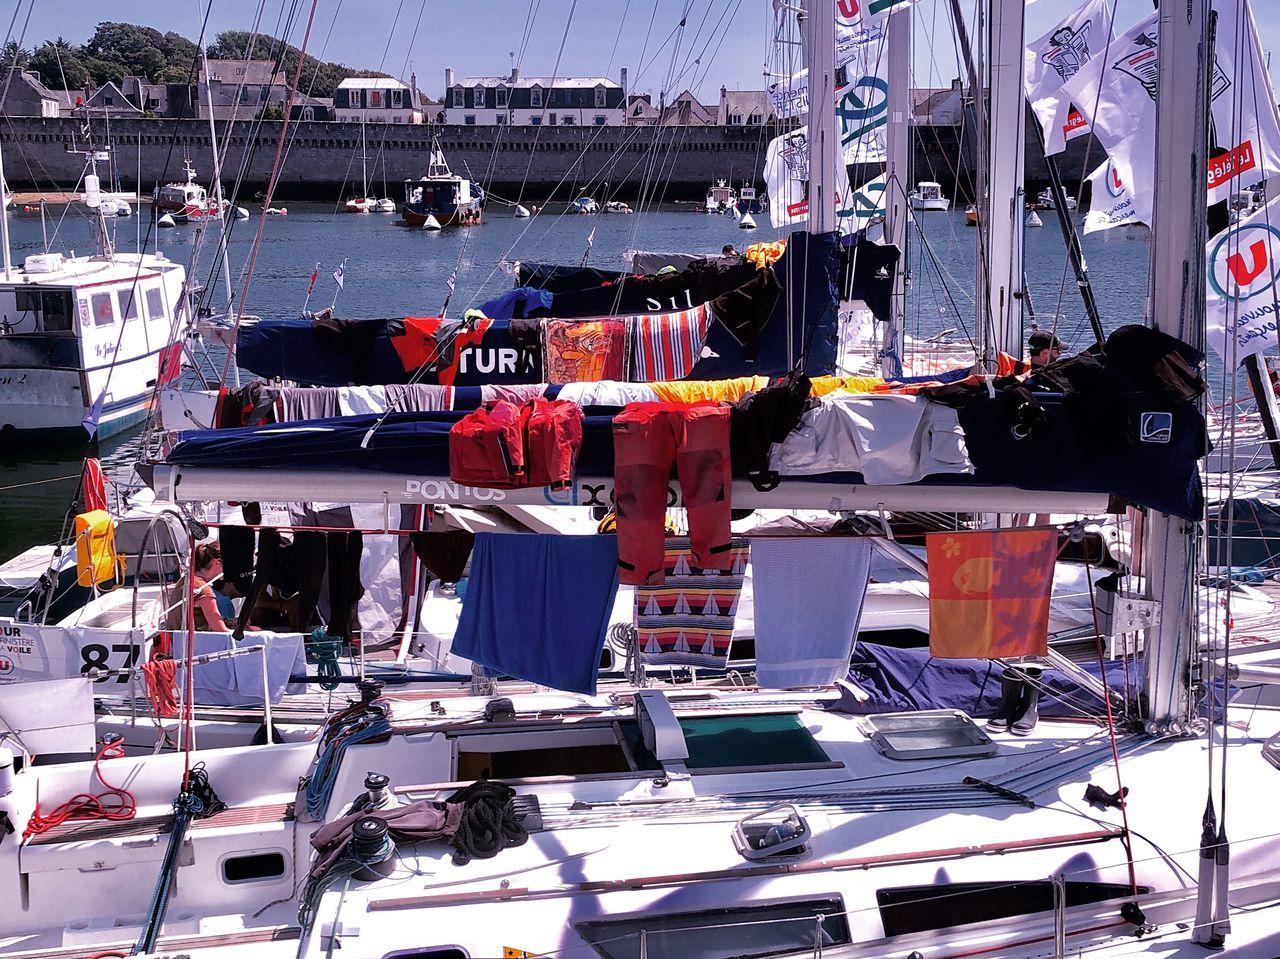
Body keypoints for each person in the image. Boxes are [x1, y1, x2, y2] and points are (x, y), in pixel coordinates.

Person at [163, 542, 230, 632]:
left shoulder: (184, 581)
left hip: (176, 642)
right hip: (197, 643)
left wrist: (228, 621)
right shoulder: (204, 590)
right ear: (217, 562)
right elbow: (221, 631)